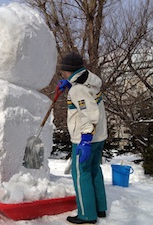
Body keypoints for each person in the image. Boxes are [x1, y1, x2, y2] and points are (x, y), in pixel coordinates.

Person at [57, 52, 108, 224]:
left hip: (85, 139)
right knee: (94, 170)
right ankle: (100, 207)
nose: (62, 73)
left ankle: (86, 215)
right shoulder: (89, 80)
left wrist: (85, 139)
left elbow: (88, 112)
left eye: (63, 71)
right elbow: (89, 101)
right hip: (99, 136)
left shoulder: (79, 89)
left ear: (68, 70)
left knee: (81, 174)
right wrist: (70, 87)